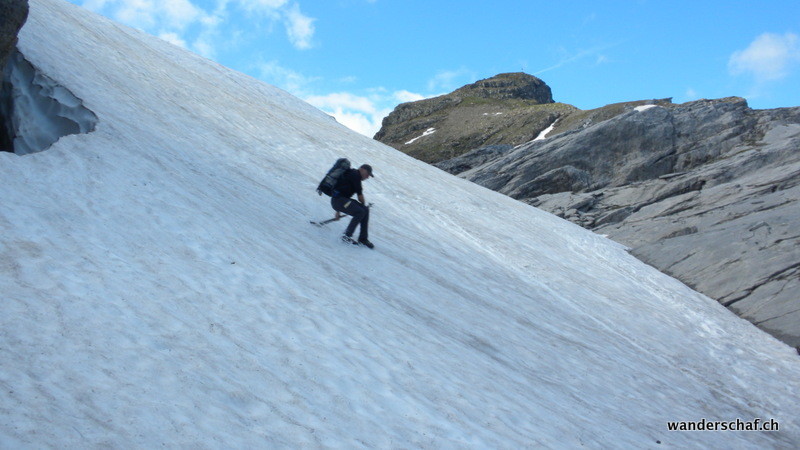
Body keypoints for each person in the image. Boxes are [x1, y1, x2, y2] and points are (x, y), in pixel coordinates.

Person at [331, 164, 374, 248]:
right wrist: (362, 207)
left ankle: (363, 239)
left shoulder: (353, 174)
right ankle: (347, 236)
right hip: (339, 201)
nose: (367, 177)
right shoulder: (355, 175)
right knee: (360, 211)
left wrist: (337, 212)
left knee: (364, 210)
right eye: (367, 174)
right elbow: (360, 196)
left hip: (341, 201)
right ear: (361, 169)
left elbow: (340, 190)